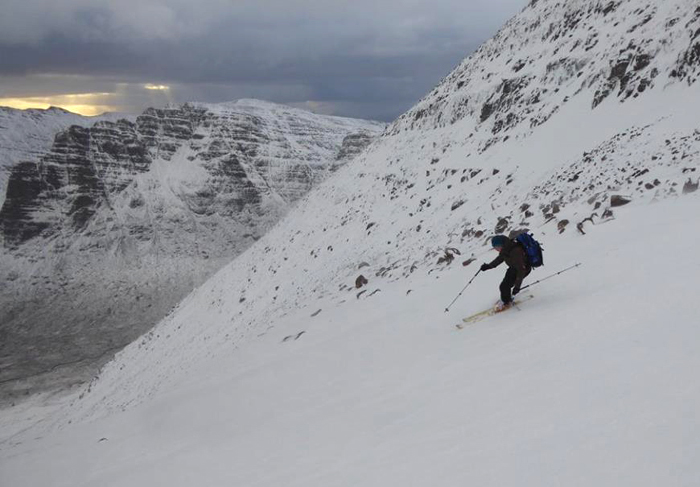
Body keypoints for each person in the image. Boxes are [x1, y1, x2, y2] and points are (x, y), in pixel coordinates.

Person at [480, 235, 531, 311]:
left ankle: (506, 303)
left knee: (504, 286)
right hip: (514, 268)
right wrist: (488, 266)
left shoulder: (515, 251)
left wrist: (517, 287)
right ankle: (506, 298)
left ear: (502, 244)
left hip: (523, 269)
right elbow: (499, 260)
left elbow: (521, 270)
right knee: (504, 286)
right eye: (495, 248)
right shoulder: (506, 249)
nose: (496, 250)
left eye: (497, 247)